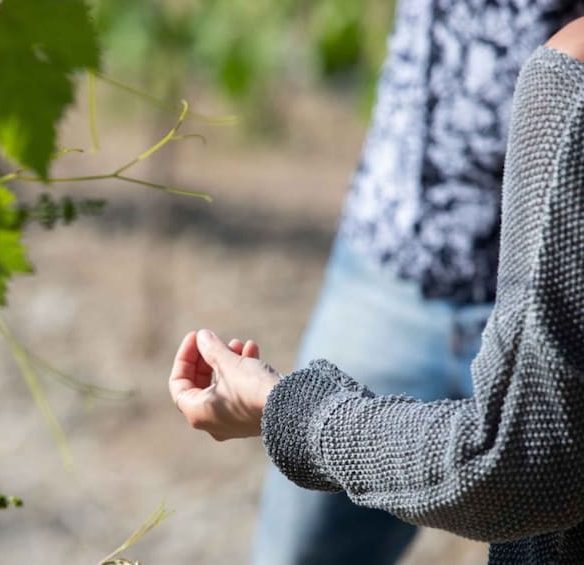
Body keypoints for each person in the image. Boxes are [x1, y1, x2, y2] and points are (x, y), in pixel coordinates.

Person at [169, 16, 584, 565]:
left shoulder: (572, 70)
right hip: (391, 249)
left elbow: (517, 464)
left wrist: (282, 407)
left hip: (539, 273)